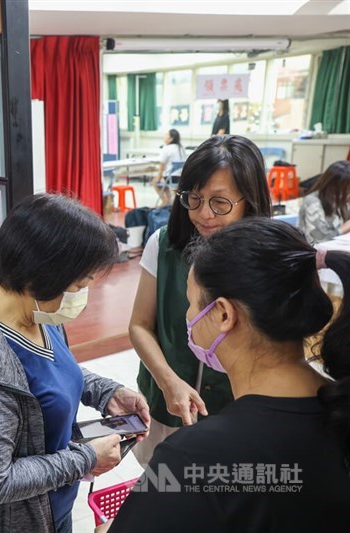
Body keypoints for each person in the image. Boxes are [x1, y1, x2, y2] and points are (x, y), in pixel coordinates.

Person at [106, 218, 350, 531]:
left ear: (223, 314)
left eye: (192, 302)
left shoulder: (193, 459)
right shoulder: (339, 410)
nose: (189, 316)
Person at [0, 194, 151, 533]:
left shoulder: (42, 313)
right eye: (79, 283)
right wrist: (87, 458)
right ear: (41, 277)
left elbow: (52, 374)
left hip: (53, 508)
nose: (83, 294)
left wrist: (105, 392)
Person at [129, 135, 272, 466]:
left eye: (220, 203)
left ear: (248, 200)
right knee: (162, 490)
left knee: (217, 500)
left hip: (234, 414)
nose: (204, 214)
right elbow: (139, 325)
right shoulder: (163, 245)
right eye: (194, 198)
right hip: (166, 405)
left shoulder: (267, 257)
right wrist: (168, 381)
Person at [298, 160, 350, 244]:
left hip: (337, 248)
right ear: (334, 186)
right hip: (313, 251)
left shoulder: (343, 199)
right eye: (347, 189)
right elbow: (320, 239)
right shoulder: (312, 202)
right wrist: (344, 228)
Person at [152, 129, 187, 206]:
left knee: (155, 182)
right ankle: (169, 200)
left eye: (166, 135)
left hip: (171, 177)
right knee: (164, 180)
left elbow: (162, 165)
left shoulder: (167, 148)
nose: (165, 136)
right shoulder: (181, 148)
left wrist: (158, 177)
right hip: (181, 177)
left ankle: (165, 201)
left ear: (171, 138)